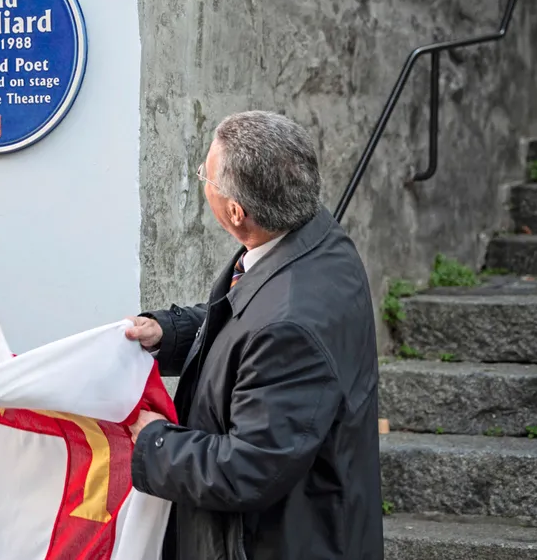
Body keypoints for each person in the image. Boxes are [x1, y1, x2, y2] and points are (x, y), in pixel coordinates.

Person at [125, 111, 382, 560]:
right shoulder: (312, 240)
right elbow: (248, 327)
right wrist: (169, 333)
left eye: (205, 173)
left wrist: (155, 442)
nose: (203, 179)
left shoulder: (291, 326)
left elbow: (247, 469)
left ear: (235, 212)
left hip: (282, 543)